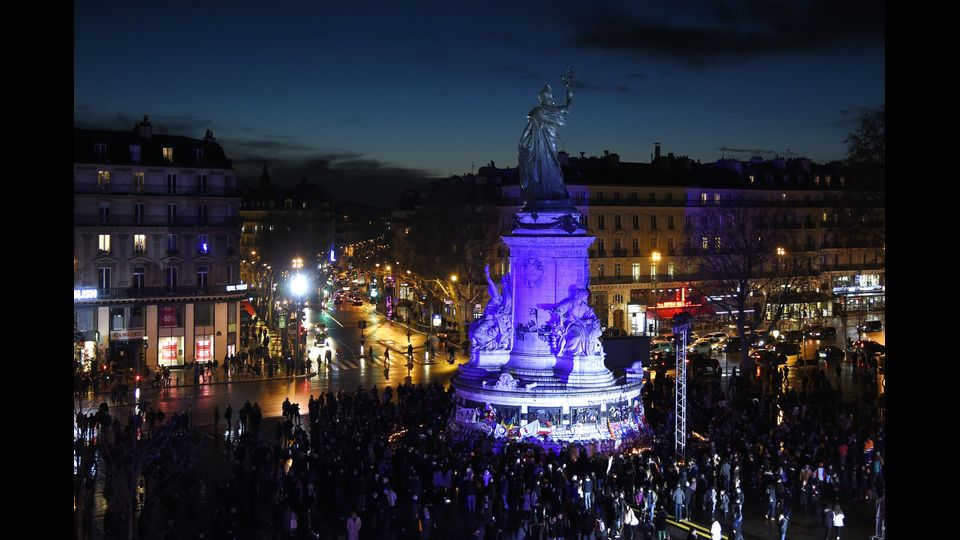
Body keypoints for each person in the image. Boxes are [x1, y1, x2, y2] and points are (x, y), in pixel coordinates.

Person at [518, 68, 574, 201]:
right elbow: (529, 128)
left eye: (547, 96)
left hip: (550, 142)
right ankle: (546, 192)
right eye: (545, 96)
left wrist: (569, 95)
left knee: (552, 166)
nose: (546, 98)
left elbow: (566, 109)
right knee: (544, 166)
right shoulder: (538, 112)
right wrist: (521, 142)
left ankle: (553, 191)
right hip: (539, 144)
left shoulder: (548, 111)